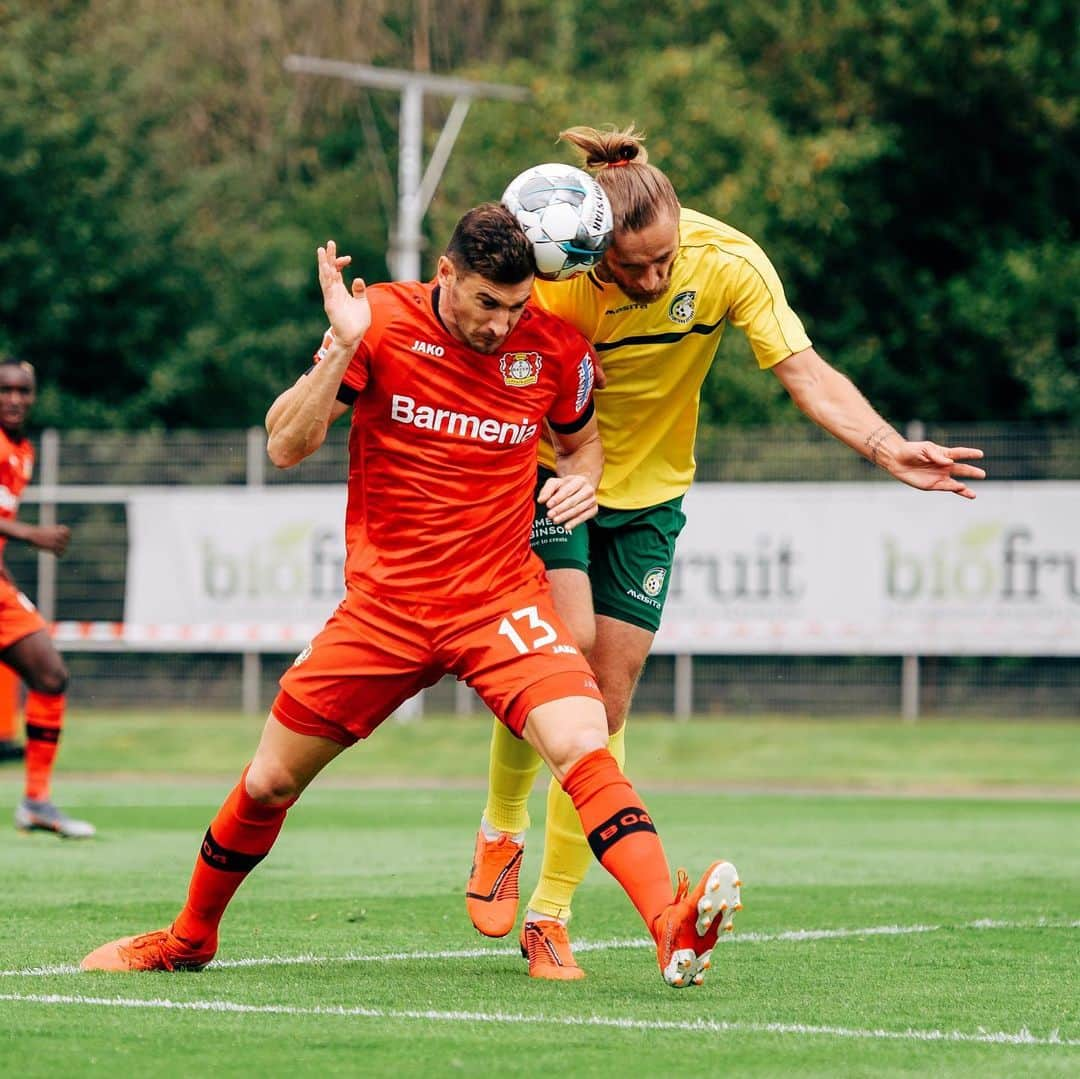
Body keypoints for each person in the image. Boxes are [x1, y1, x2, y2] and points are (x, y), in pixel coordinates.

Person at [80, 204, 742, 989]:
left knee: (584, 738)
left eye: (518, 306)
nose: (502, 325)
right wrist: (341, 348)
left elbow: (583, 441)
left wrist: (581, 482)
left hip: (499, 599)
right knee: (268, 782)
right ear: (447, 275)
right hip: (385, 609)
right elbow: (286, 444)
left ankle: (667, 922)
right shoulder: (380, 323)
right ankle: (190, 937)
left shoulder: (556, 348)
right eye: (486, 304)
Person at [467, 124, 986, 980]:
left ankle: (549, 915)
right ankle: (501, 830)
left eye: (663, 260)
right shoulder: (556, 287)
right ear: (592, 253)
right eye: (629, 268)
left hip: (654, 494)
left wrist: (886, 444)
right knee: (562, 660)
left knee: (607, 701)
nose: (651, 278)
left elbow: (805, 371)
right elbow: (472, 341)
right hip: (554, 475)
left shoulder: (728, 260)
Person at [0, 357, 95, 838]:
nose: (15, 399)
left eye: (24, 390)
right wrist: (29, 534)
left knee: (50, 674)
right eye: (5, 390)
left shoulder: (23, 451)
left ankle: (36, 800)